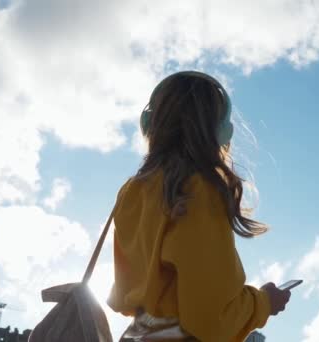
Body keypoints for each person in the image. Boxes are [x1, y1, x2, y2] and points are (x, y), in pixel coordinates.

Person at [107, 71, 291, 341]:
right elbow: (211, 320)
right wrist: (264, 303)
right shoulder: (197, 190)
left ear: (149, 123)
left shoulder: (132, 192)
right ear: (219, 131)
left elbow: (127, 296)